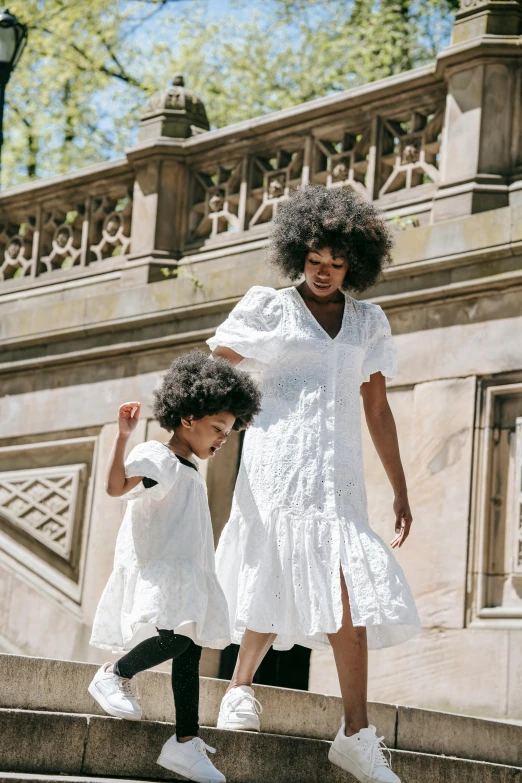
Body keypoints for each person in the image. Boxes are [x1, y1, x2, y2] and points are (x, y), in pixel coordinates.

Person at [208, 186, 421, 783]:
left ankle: (356, 733)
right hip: (277, 465)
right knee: (275, 565)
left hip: (340, 478)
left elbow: (378, 410)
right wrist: (198, 431)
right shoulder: (269, 309)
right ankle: (239, 689)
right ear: (297, 254)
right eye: (314, 261)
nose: (324, 273)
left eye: (336, 263)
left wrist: (400, 489)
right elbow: (213, 372)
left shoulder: (367, 323)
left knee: (346, 586)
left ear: (354, 262)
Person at [88, 351, 261, 783]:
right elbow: (114, 488)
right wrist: (123, 437)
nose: (223, 439)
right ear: (188, 417)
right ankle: (114, 674)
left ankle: (184, 743)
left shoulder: (188, 469)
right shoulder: (161, 459)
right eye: (217, 429)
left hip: (188, 571)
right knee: (177, 642)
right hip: (163, 568)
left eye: (228, 432)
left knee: (190, 651)